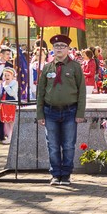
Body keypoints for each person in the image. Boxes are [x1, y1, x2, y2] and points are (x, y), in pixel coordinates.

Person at [36, 34, 86, 186]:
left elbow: (82, 91)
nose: (59, 49)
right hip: (50, 112)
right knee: (52, 144)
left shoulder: (75, 67)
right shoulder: (47, 67)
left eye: (62, 46)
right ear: (52, 49)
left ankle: (66, 174)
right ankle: (55, 174)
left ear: (68, 49)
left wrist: (80, 113)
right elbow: (41, 92)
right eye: (56, 46)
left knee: (69, 144)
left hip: (70, 111)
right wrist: (40, 114)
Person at [0, 67, 18, 143]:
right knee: (6, 121)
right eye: (5, 75)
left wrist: (6, 87)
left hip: (11, 104)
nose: (6, 77)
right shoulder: (3, 84)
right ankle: (8, 136)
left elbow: (12, 93)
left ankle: (13, 136)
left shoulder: (14, 83)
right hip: (4, 104)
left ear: (12, 76)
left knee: (11, 121)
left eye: (8, 75)